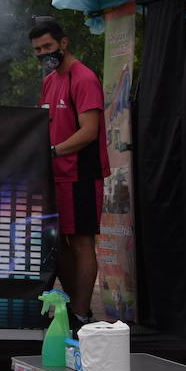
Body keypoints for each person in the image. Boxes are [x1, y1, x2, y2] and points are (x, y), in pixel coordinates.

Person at [30, 19, 109, 327]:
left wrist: (53, 151)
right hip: (54, 176)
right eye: (37, 50)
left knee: (81, 242)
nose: (43, 53)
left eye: (48, 47)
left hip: (81, 174)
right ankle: (74, 307)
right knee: (56, 244)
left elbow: (89, 131)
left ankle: (80, 312)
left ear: (63, 43)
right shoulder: (50, 81)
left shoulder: (84, 78)